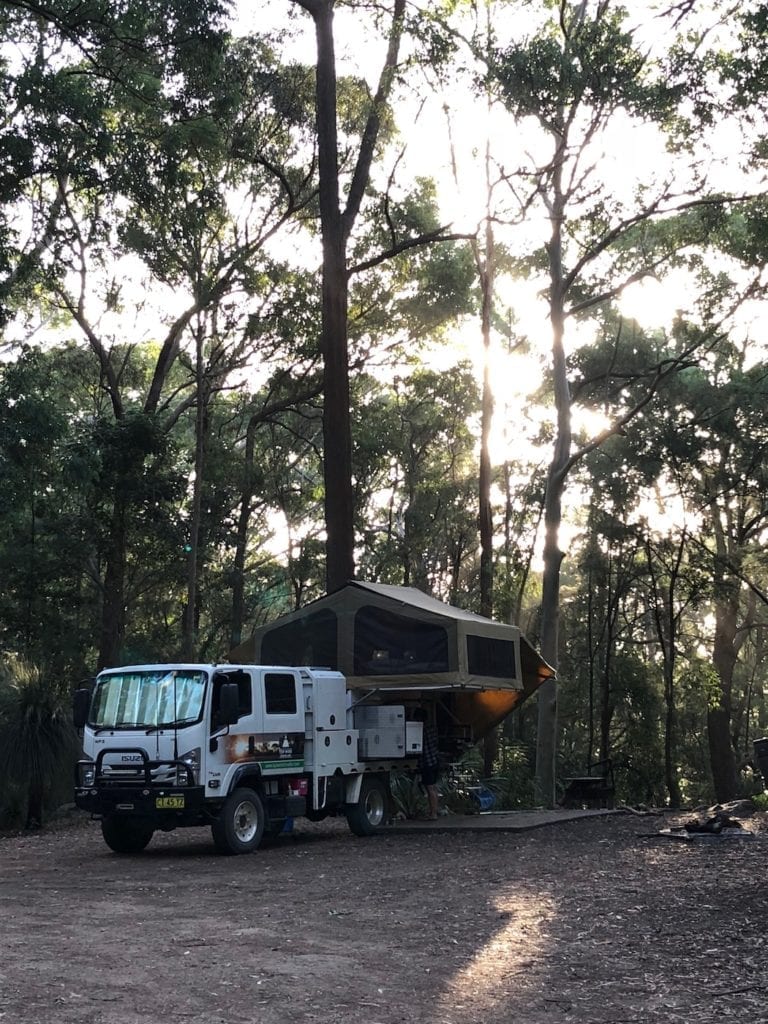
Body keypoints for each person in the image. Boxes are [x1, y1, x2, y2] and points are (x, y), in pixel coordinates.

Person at [414, 708, 440, 820]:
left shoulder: (421, 731)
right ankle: (434, 811)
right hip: (434, 760)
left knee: (430, 788)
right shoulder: (432, 729)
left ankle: (433, 813)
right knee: (433, 787)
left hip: (427, 762)